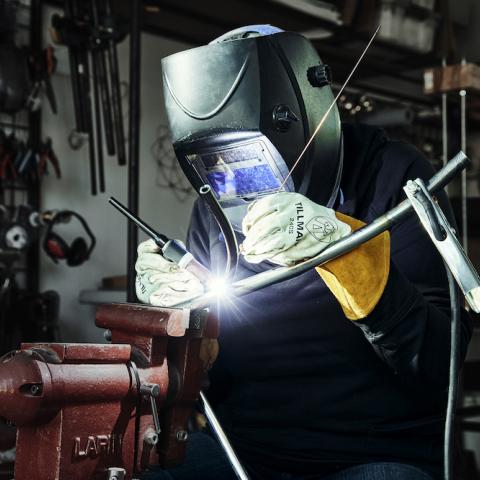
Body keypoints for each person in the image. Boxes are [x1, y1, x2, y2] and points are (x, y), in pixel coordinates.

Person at [136, 25, 472, 480]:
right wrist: (179, 330)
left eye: (249, 161)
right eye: (214, 169)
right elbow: (197, 378)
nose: (234, 189)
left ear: (300, 121)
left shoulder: (393, 177)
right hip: (245, 449)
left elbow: (440, 368)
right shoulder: (212, 206)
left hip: (375, 454)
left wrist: (353, 261)